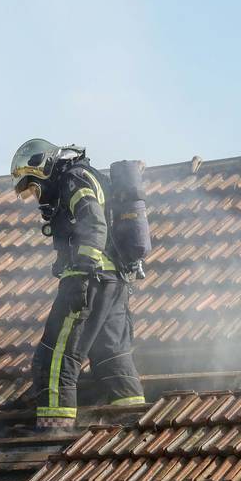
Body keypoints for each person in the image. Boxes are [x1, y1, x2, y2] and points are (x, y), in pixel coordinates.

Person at [11, 139, 145, 430]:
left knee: (54, 359)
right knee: (111, 358)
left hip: (90, 281)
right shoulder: (84, 175)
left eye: (34, 188)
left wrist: (80, 274)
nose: (36, 197)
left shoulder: (72, 179)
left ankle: (52, 434)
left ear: (44, 170)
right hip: (113, 281)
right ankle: (131, 427)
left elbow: (94, 224)